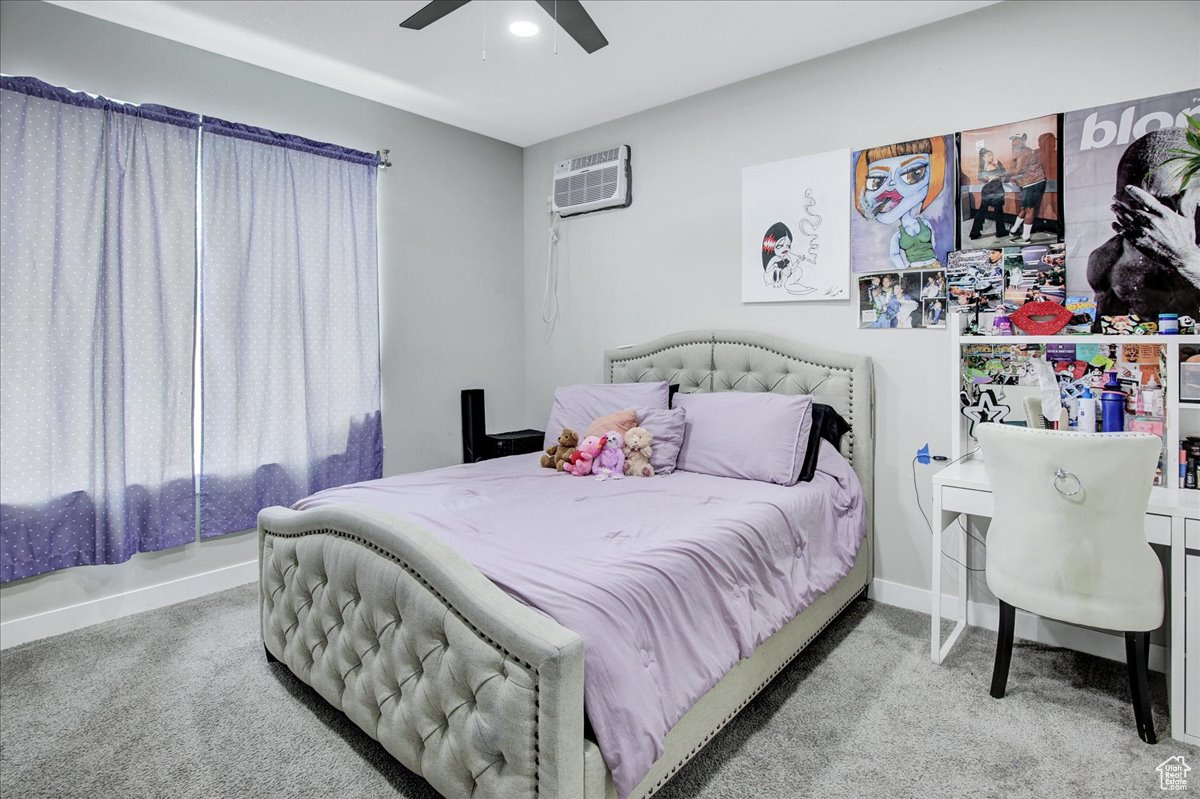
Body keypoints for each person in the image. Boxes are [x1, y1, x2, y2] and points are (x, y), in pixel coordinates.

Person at [1089, 126, 1200, 324]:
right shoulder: (1108, 258)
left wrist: (1188, 260)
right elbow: (1105, 337)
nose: (1150, 220)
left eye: (1161, 204)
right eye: (1133, 205)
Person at [854, 137, 948, 269]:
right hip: (914, 269)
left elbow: (933, 244)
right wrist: (905, 269)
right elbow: (894, 254)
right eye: (876, 181)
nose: (891, 186)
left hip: (934, 265)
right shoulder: (898, 235)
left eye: (914, 174)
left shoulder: (925, 224)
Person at [1006, 133, 1047, 243]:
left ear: (1023, 141)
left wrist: (1002, 173)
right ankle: (1014, 230)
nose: (1014, 142)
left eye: (1017, 140)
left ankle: (1025, 238)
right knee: (1024, 209)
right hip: (1027, 184)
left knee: (1029, 209)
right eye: (1013, 139)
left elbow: (1018, 171)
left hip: (1034, 183)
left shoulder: (1025, 152)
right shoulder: (1019, 153)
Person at [760, 222, 815, 294]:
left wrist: (799, 260)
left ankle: (790, 284)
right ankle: (787, 284)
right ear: (771, 246)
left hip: (787, 276)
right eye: (780, 245)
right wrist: (775, 265)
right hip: (776, 278)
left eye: (788, 246)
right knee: (777, 269)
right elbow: (767, 271)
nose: (785, 249)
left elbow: (791, 268)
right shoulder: (774, 259)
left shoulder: (786, 256)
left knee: (798, 270)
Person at [969, 148, 1009, 240]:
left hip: (988, 187)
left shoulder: (984, 167)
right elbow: (1003, 173)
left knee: (982, 211)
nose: (991, 157)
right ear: (983, 158)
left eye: (991, 154)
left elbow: (985, 178)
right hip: (995, 186)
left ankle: (975, 233)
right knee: (998, 211)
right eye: (988, 155)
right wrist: (998, 162)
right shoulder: (991, 165)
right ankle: (1000, 231)